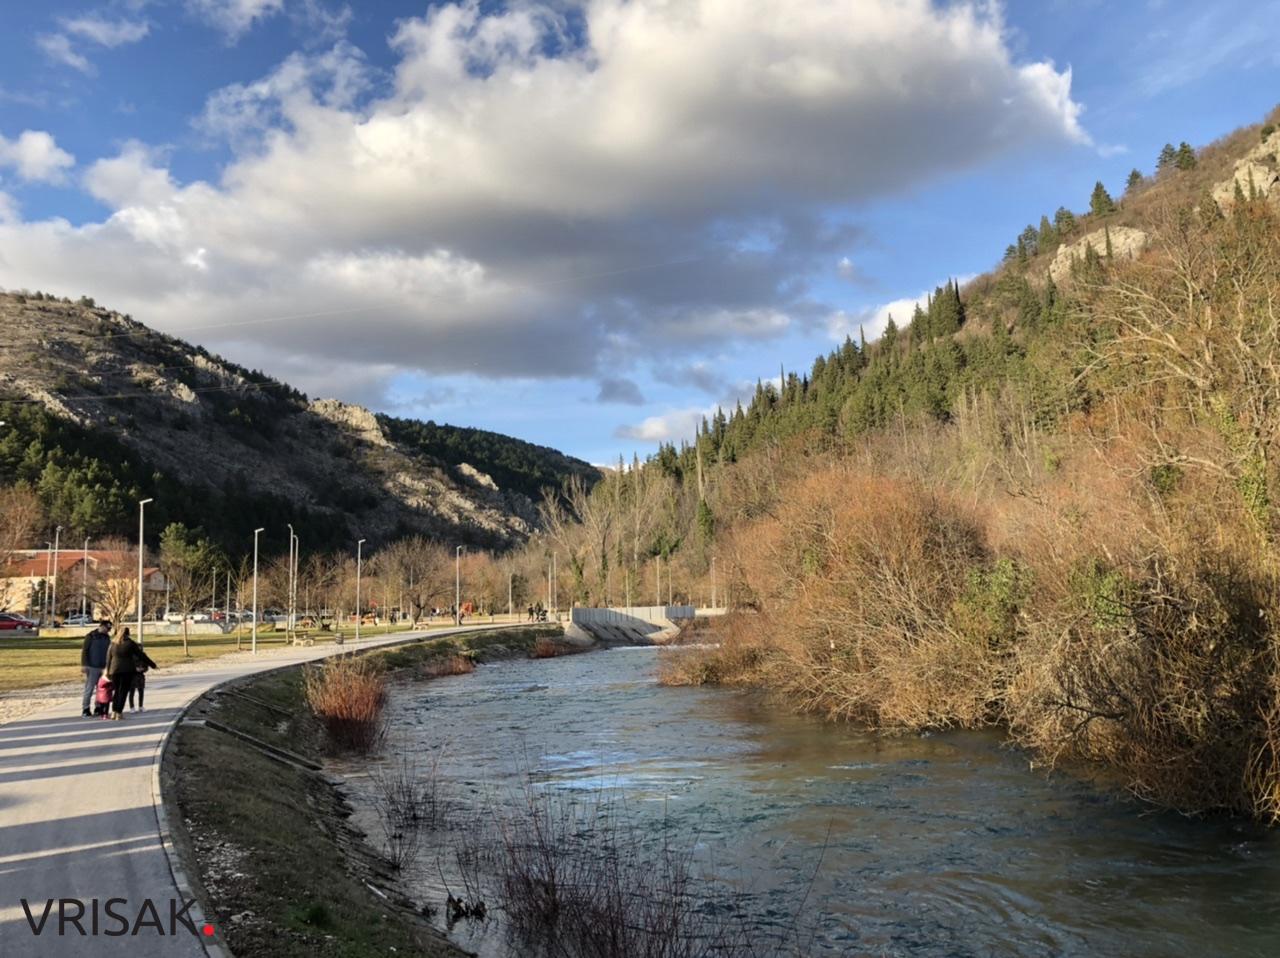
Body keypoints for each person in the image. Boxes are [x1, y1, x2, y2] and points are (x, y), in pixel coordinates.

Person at [105, 627, 158, 720]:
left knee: (117, 691)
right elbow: (141, 655)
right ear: (128, 633)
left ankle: (113, 712)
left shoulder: (113, 643)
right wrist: (152, 665)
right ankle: (119, 713)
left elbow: (108, 658)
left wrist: (108, 671)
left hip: (114, 670)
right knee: (123, 692)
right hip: (127, 670)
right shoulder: (130, 644)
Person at [80, 620, 112, 717]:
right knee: (89, 689)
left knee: (101, 689)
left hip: (103, 667)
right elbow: (84, 651)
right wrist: (84, 664)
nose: (108, 631)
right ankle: (85, 708)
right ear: (101, 626)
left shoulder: (107, 638)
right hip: (92, 666)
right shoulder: (90, 636)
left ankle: (98, 707)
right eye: (107, 628)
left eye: (109, 629)